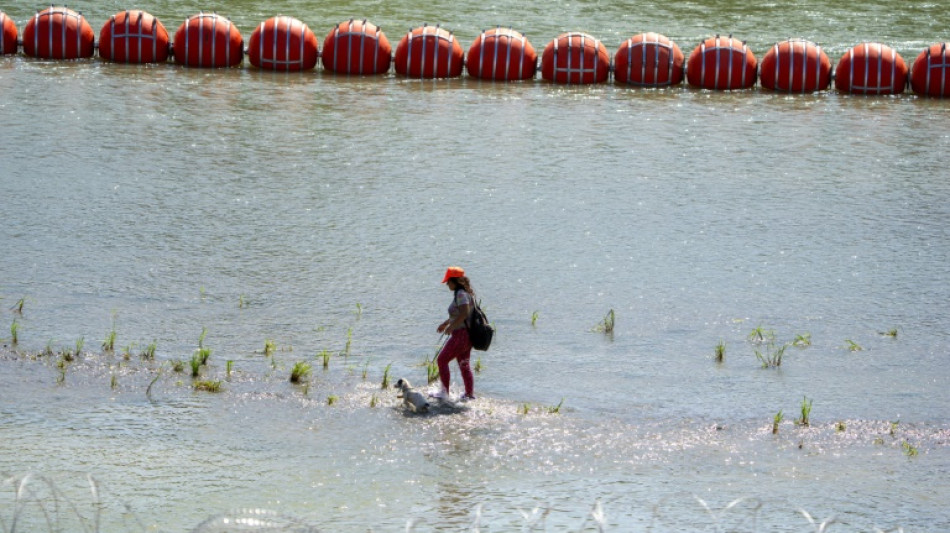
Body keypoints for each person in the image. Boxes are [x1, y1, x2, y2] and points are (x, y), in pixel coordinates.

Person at [433, 266, 476, 401]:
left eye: (448, 281)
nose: (447, 284)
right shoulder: (465, 293)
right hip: (468, 336)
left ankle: (444, 393)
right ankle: (469, 394)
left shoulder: (461, 294)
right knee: (464, 364)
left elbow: (464, 313)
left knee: (442, 360)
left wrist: (451, 327)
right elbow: (460, 314)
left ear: (455, 281)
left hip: (461, 335)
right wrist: (446, 323)